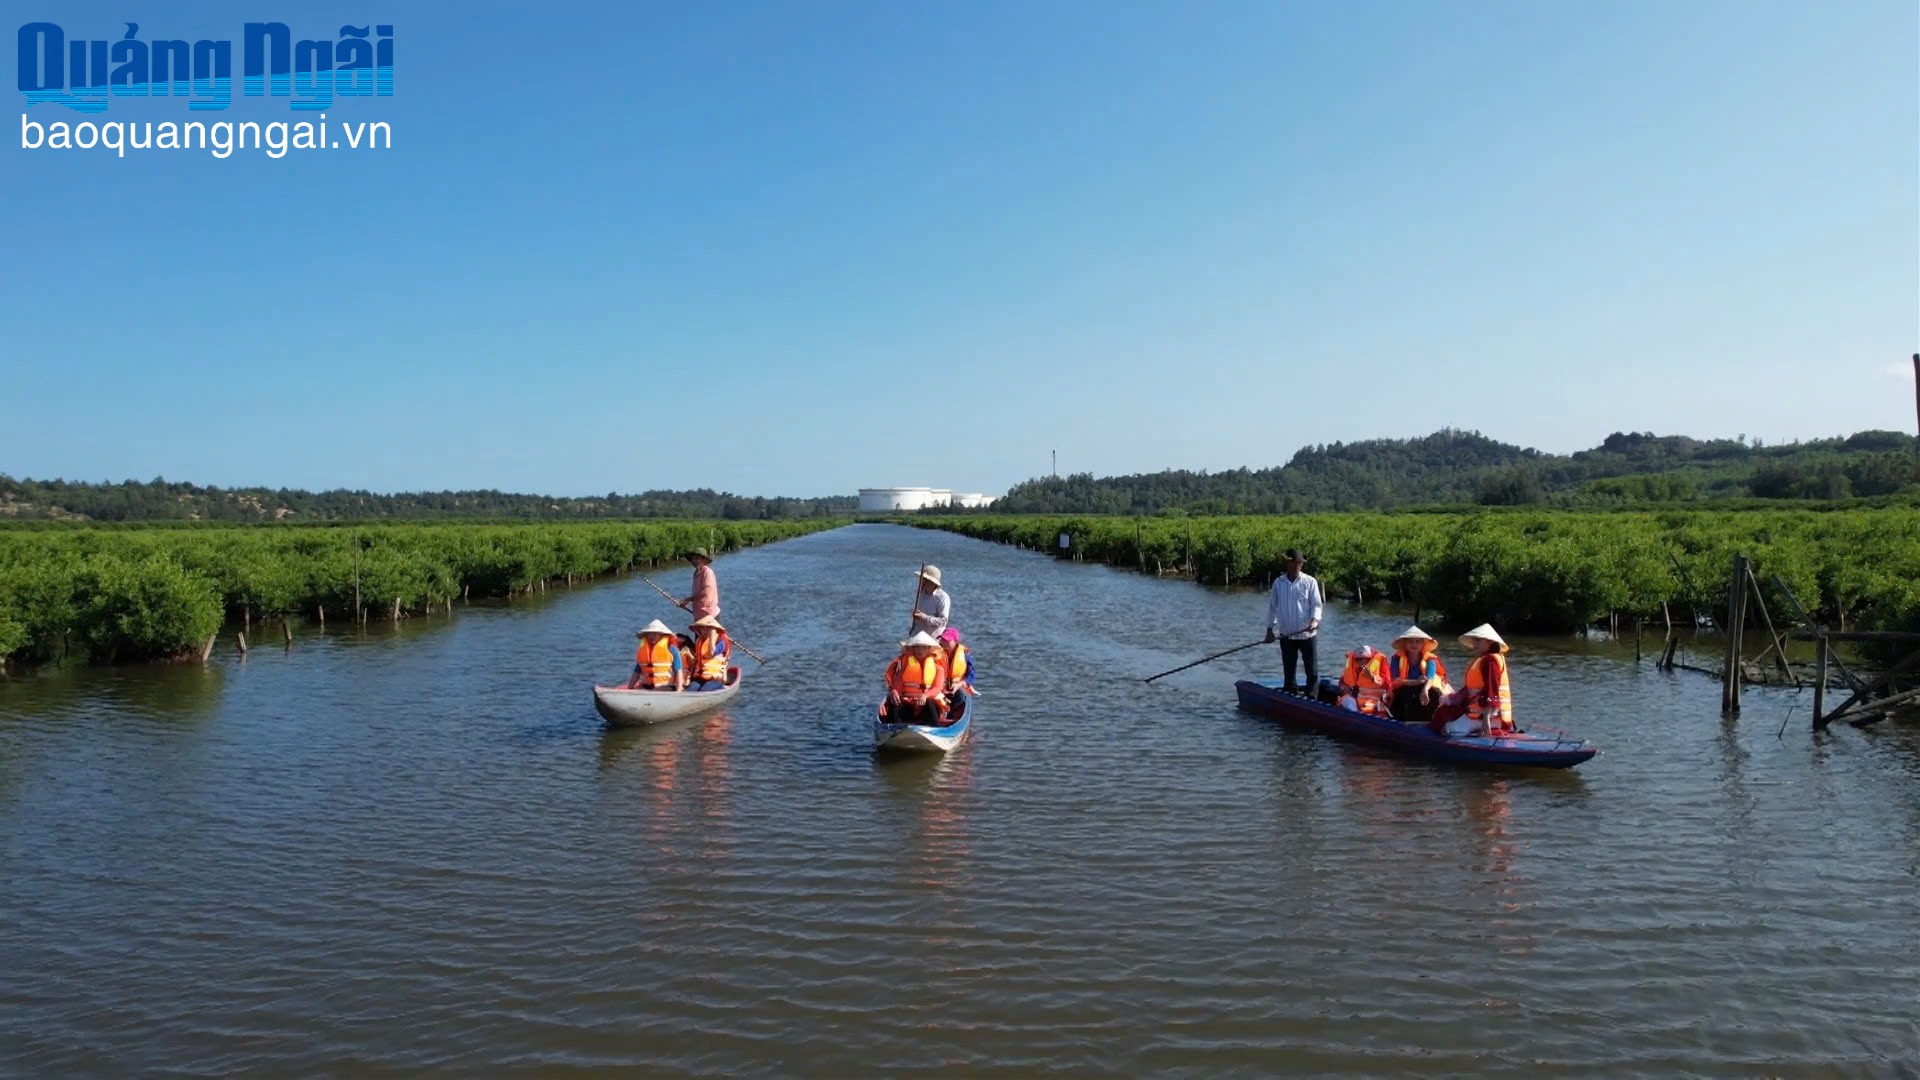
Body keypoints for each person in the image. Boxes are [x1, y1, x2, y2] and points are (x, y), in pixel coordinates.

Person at [1429, 624, 1514, 737]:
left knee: (1449, 728)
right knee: (1443, 713)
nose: (1475, 644)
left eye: (1478, 640)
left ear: (1490, 642)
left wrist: (1486, 719)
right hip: (1484, 712)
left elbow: (1492, 690)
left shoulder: (1490, 661)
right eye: (1474, 641)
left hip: (1488, 715)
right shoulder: (1488, 659)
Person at [1262, 549, 1324, 693]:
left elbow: (1316, 605)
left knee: (1312, 671)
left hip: (1307, 635)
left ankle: (1311, 697)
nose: (1296, 565)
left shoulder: (1310, 582)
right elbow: (1273, 608)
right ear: (1288, 563)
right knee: (1289, 671)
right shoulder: (1279, 583)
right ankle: (1291, 694)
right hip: (1287, 635)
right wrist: (1269, 630)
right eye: (1293, 562)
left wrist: (1314, 622)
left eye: (1299, 563)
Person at [884, 630, 951, 726]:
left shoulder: (938, 669)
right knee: (893, 702)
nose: (920, 650)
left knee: (929, 703)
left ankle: (935, 729)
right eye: (917, 647)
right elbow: (897, 685)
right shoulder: (906, 667)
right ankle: (894, 731)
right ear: (913, 649)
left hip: (926, 706)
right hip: (909, 705)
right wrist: (894, 692)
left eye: (924, 647)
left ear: (929, 649)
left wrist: (925, 695)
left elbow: (938, 688)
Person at [1388, 626, 1451, 723]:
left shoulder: (1430, 659)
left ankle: (1431, 721)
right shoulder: (1396, 659)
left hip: (1423, 687)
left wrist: (1425, 689)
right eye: (1411, 641)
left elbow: (1430, 677)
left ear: (1422, 644)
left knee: (1435, 693)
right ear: (1405, 643)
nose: (1414, 644)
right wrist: (1415, 682)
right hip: (1404, 688)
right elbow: (1395, 681)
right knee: (1404, 693)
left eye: (1418, 641)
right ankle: (1406, 721)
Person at [627, 619, 686, 691]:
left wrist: (679, 690)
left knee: (654, 690)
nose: (652, 636)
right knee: (640, 690)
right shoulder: (643, 650)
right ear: (646, 635)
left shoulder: (671, 649)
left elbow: (678, 671)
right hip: (647, 685)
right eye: (650, 634)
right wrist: (629, 688)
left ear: (661, 634)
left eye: (655, 634)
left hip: (666, 685)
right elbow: (636, 672)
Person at [1337, 644, 1393, 716]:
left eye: (1364, 659)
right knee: (1345, 700)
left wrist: (1372, 677)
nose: (1361, 662)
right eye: (1358, 659)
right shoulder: (1353, 669)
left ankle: (1357, 715)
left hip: (1375, 702)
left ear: (1369, 659)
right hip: (1357, 701)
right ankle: (1355, 714)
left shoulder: (1379, 666)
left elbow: (1388, 684)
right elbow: (1344, 681)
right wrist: (1344, 689)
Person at [688, 614, 732, 689]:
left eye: (707, 628)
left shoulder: (721, 640)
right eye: (702, 628)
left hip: (716, 678)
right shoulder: (699, 641)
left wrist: (712, 636)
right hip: (700, 677)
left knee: (704, 690)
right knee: (690, 690)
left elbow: (712, 652)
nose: (704, 630)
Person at [676, 548, 720, 621]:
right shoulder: (696, 574)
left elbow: (706, 592)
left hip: (710, 615)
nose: (693, 561)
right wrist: (685, 603)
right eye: (692, 558)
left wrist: (688, 600)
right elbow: (697, 595)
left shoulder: (707, 572)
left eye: (697, 558)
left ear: (703, 560)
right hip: (699, 616)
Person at [910, 565, 951, 638]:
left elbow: (943, 621)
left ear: (932, 582)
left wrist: (924, 617)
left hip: (933, 640)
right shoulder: (920, 593)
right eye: (921, 579)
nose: (921, 582)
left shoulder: (942, 597)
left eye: (924, 580)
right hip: (916, 636)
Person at [939, 627, 977, 697]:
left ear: (955, 641)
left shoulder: (965, 655)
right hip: (942, 687)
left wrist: (961, 684)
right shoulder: (938, 654)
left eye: (947, 640)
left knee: (961, 695)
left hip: (959, 686)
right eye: (942, 639)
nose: (944, 642)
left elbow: (972, 675)